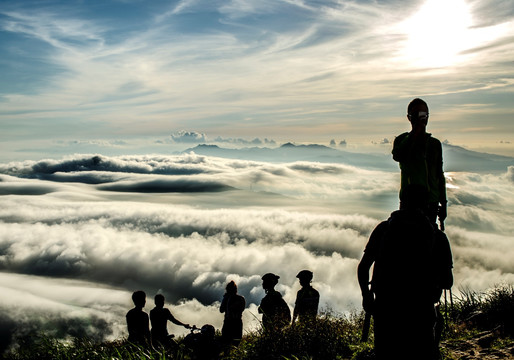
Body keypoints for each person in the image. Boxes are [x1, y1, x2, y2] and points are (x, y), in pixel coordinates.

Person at [357, 185, 452, 360]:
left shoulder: (384, 229)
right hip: (421, 312)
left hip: (386, 310)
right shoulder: (436, 236)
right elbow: (447, 282)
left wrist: (366, 296)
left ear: (401, 202)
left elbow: (363, 267)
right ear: (426, 204)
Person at [392, 98, 447, 227]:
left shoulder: (434, 144)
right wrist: (414, 135)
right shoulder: (401, 140)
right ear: (409, 118)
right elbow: (398, 156)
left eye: (424, 114)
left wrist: (443, 203)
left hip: (431, 204)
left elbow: (439, 174)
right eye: (416, 114)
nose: (421, 118)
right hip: (409, 202)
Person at [220, 280, 246, 346]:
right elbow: (242, 309)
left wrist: (225, 299)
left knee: (226, 343)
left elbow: (221, 310)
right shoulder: (241, 299)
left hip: (228, 323)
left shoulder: (227, 298)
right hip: (238, 323)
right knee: (236, 343)